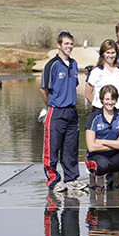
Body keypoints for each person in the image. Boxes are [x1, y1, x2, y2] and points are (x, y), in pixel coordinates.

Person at [41, 31, 85, 192]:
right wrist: (51, 106)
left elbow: (73, 85)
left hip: (71, 112)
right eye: (66, 44)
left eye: (71, 44)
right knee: (52, 148)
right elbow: (44, 90)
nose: (69, 47)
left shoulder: (73, 64)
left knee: (71, 148)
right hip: (56, 112)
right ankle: (53, 180)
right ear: (59, 45)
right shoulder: (52, 65)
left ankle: (71, 179)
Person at [84, 85, 119, 193]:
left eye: (113, 99)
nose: (110, 102)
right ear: (102, 99)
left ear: (116, 100)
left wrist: (102, 141)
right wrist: (117, 143)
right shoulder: (93, 118)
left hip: (116, 157)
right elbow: (91, 147)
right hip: (98, 157)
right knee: (102, 164)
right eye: (107, 99)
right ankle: (99, 180)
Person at [85, 39, 119, 111]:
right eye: (107, 53)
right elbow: (87, 94)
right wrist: (98, 107)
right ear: (103, 54)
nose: (110, 55)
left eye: (113, 53)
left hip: (118, 110)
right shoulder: (96, 71)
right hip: (100, 110)